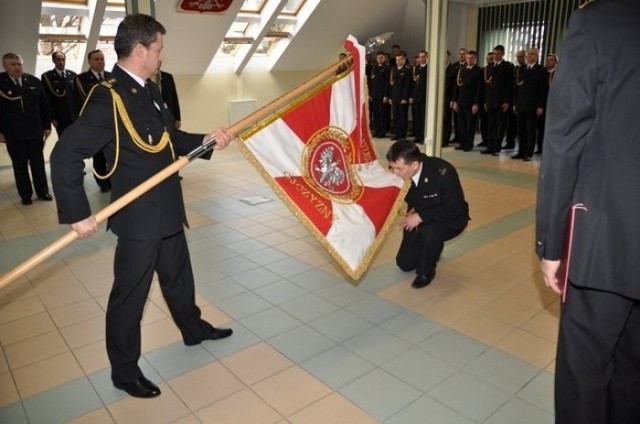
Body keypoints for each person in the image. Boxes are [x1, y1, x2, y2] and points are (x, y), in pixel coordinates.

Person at [50, 13, 234, 399]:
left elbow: (170, 139)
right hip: (137, 220)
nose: (161, 56)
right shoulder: (109, 97)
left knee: (179, 277)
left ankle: (193, 328)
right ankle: (124, 370)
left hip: (166, 204)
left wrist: (208, 140)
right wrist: (78, 213)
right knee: (130, 295)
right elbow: (65, 153)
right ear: (139, 50)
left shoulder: (149, 89)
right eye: (158, 49)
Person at [536, 1, 640, 422]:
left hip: (607, 238)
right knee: (633, 372)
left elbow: (563, 139)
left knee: (586, 371)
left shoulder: (599, 20)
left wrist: (551, 242)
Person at [387, 140, 469, 289]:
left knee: (431, 232)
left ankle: (426, 272)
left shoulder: (443, 172)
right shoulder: (403, 174)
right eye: (392, 168)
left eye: (399, 169)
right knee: (405, 264)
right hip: (419, 216)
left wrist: (419, 217)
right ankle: (433, 248)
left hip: (450, 219)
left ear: (414, 165)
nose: (394, 173)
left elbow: (453, 209)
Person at [0, 53, 53, 205]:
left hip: (34, 132)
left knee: (38, 164)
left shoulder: (34, 81)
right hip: (13, 134)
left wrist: (47, 126)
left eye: (19, 64)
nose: (17, 67)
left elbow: (44, 106)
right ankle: (26, 195)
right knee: (20, 166)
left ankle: (43, 192)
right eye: (12, 64)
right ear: (5, 66)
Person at [73, 49, 113, 193]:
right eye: (96, 59)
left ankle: (112, 180)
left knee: (112, 154)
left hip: (112, 123)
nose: (100, 61)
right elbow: (78, 104)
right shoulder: (81, 79)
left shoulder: (111, 76)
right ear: (89, 62)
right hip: (95, 124)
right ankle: (102, 182)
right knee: (99, 156)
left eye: (101, 58)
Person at [512, 47, 545, 161]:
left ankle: (528, 153)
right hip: (521, 103)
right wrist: (515, 103)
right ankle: (521, 151)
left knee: (530, 130)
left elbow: (542, 89)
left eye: (533, 54)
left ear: (536, 56)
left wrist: (541, 105)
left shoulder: (540, 70)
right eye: (528, 54)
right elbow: (517, 87)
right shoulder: (521, 69)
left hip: (533, 104)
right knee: (520, 129)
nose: (530, 56)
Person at [482, 45, 514, 156]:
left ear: (503, 54)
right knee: (490, 125)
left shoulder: (508, 67)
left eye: (498, 54)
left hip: (501, 102)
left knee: (499, 126)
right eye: (494, 54)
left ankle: (496, 147)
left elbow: (509, 86)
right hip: (491, 102)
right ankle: (489, 146)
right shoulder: (490, 67)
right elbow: (487, 87)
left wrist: (507, 101)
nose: (495, 56)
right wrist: (486, 101)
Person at [452, 50, 483, 152]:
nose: (469, 60)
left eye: (471, 58)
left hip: (471, 103)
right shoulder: (462, 70)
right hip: (461, 101)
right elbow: (457, 86)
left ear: (475, 59)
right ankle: (462, 143)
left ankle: (469, 144)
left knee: (470, 125)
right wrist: (455, 101)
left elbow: (479, 89)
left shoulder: (478, 71)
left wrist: (476, 103)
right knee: (461, 124)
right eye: (468, 58)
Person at [41, 51, 77, 136]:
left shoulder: (72, 75)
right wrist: (52, 117)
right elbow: (47, 100)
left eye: (63, 59)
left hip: (73, 116)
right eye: (58, 60)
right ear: (54, 61)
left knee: (75, 139)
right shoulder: (47, 77)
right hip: (60, 117)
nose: (61, 62)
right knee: (63, 140)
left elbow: (76, 96)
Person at [535, 53, 558, 155]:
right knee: (541, 128)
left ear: (556, 62)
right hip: (543, 105)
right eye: (547, 60)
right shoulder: (542, 72)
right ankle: (540, 148)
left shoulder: (559, 73)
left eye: (551, 60)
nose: (549, 62)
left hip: (555, 106)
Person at [389, 50, 412, 141]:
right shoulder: (394, 69)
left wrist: (405, 98)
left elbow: (408, 85)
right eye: (397, 59)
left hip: (402, 98)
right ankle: (397, 133)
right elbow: (391, 85)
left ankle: (403, 135)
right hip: (394, 97)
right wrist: (390, 97)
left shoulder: (407, 69)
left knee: (403, 117)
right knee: (396, 116)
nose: (398, 61)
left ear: (404, 60)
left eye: (400, 59)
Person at [152, 61, 181, 129]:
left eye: (159, 62)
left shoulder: (168, 77)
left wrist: (178, 118)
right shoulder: (146, 76)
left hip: (169, 112)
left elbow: (174, 97)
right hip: (154, 113)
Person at [368, 51, 389, 138]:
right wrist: (370, 94)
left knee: (382, 114)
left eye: (381, 58)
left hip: (382, 95)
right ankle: (377, 130)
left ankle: (382, 131)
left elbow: (387, 83)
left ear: (384, 59)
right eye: (378, 58)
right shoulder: (374, 68)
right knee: (376, 114)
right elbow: (370, 82)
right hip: (374, 95)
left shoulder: (386, 68)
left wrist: (386, 95)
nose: (379, 59)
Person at [410, 50, 428, 144]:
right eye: (420, 57)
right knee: (416, 118)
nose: (421, 59)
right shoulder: (416, 68)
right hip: (416, 96)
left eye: (423, 57)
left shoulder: (429, 68)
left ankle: (423, 137)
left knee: (423, 118)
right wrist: (412, 96)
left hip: (424, 97)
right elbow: (413, 83)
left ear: (426, 57)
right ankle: (417, 136)